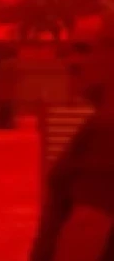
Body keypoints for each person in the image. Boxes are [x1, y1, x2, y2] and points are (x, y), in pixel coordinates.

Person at [29, 41, 114, 261]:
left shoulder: (106, 130)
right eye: (67, 53)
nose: (71, 62)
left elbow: (88, 226)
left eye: (84, 49)